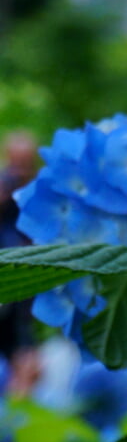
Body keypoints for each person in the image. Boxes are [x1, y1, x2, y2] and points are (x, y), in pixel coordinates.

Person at [0, 131, 40, 394]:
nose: (19, 171)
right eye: (15, 163)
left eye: (26, 164)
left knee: (26, 372)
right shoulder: (4, 190)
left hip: (24, 305)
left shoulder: (39, 194)